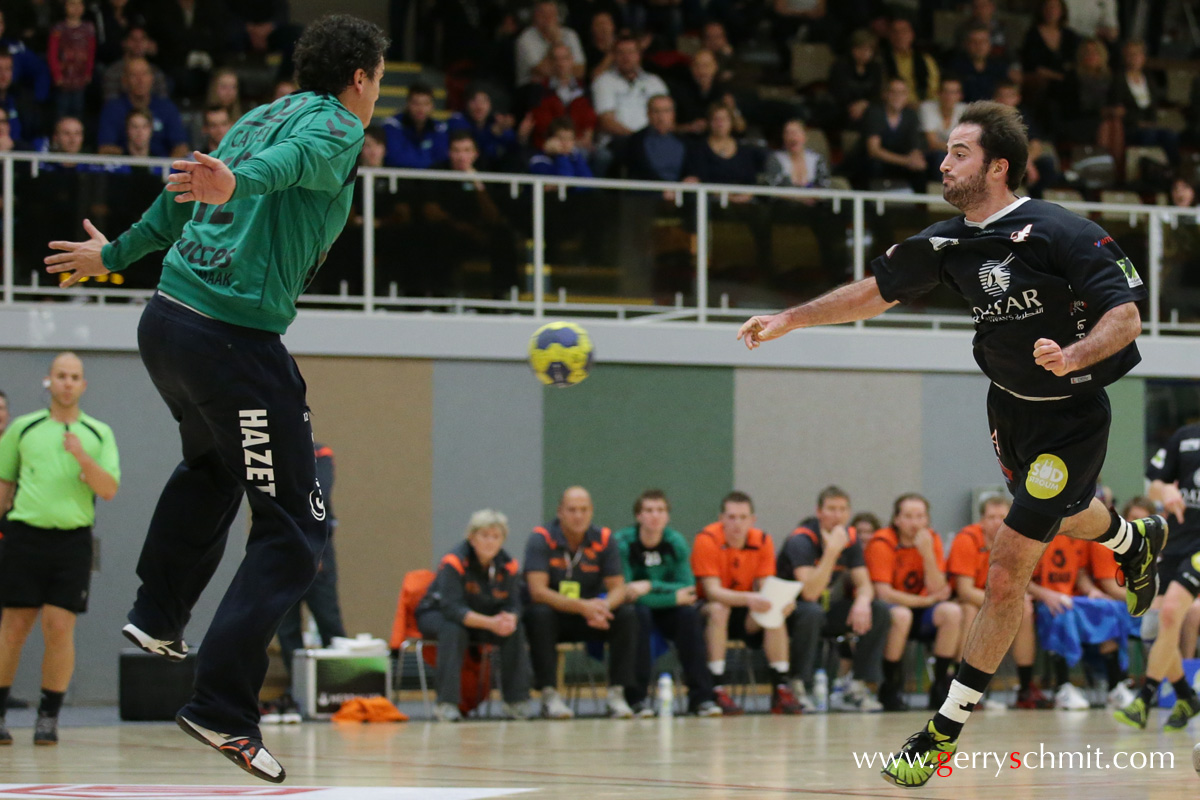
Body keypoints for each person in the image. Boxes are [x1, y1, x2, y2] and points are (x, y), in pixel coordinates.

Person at [737, 99, 1165, 787]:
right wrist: (791, 318)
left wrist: (1076, 354)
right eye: (945, 151)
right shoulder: (947, 244)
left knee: (1005, 571)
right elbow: (876, 291)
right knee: (1061, 510)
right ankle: (1131, 541)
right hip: (1009, 411)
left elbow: (1126, 315)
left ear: (997, 166)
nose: (943, 162)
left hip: (1072, 414)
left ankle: (942, 730)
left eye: (959, 152)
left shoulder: (1060, 230)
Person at [43, 14, 389, 783]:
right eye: (380, 80)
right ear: (362, 77)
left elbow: (180, 193)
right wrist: (242, 183)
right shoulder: (334, 125)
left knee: (215, 462)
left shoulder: (259, 113)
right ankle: (222, 709)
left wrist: (115, 255)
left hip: (165, 321)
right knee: (297, 530)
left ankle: (157, 612)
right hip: (232, 340)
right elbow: (295, 163)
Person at [0, 353, 120, 746]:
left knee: (59, 626)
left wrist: (81, 456)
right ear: (48, 382)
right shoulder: (23, 428)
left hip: (71, 541)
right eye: (61, 376)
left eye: (75, 377)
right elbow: (3, 487)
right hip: (24, 536)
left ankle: (48, 717)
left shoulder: (98, 433)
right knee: (14, 626)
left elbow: (108, 489)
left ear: (83, 386)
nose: (68, 382)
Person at [523, 486, 639, 719]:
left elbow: (618, 587)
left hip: (592, 616)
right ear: (560, 512)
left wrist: (603, 607)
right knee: (539, 614)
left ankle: (617, 695)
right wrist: (582, 607)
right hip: (557, 616)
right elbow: (537, 591)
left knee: (627, 614)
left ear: (591, 511)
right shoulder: (541, 538)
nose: (578, 515)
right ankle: (549, 695)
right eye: (572, 510)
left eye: (584, 510)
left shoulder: (604, 539)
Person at [1114, 422, 1200, 732]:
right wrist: (1166, 489)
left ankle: (1143, 700)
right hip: (1175, 544)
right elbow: (1153, 486)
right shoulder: (1186, 437)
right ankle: (1186, 696)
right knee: (1154, 628)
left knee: (1170, 612)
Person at [692, 491, 802, 715]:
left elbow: (765, 588)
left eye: (743, 517)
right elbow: (712, 592)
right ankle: (717, 687)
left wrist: (781, 602)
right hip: (709, 610)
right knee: (719, 609)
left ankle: (780, 686)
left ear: (753, 520)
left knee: (775, 613)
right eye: (731, 517)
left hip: (746, 611)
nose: (737, 523)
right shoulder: (707, 539)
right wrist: (749, 599)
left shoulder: (762, 541)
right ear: (721, 518)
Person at [417, 509, 531, 722]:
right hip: (438, 614)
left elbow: (515, 603)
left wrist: (511, 618)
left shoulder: (508, 565)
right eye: (484, 536)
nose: (490, 542)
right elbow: (452, 609)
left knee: (514, 631)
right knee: (453, 628)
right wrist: (491, 623)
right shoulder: (454, 561)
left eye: (495, 537)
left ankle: (516, 701)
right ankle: (447, 703)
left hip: (484, 618)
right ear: (472, 537)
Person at [782, 486, 888, 713]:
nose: (837, 515)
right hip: (790, 612)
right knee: (811, 611)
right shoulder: (801, 540)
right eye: (831, 509)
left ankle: (856, 687)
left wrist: (862, 601)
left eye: (842, 510)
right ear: (819, 512)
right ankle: (799, 685)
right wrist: (831, 552)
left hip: (824, 610)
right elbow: (810, 592)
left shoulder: (849, 539)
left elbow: (865, 584)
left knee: (878, 609)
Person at [615, 490, 721, 717]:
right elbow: (626, 592)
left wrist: (650, 585)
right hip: (637, 609)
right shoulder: (623, 543)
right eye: (649, 510)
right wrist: (672, 595)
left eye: (661, 510)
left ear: (668, 516)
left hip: (666, 609)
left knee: (689, 616)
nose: (655, 515)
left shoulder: (675, 542)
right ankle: (637, 699)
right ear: (638, 516)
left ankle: (701, 698)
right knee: (637, 614)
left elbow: (688, 588)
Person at [270, 441, 347, 722]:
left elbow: (319, 493)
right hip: (283, 545)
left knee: (328, 619)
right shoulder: (275, 449)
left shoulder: (321, 453)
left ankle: (340, 689)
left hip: (317, 543)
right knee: (287, 626)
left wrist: (315, 548)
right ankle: (301, 691)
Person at [865, 494, 961, 711]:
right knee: (902, 615)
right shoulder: (883, 541)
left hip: (922, 611)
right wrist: (925, 600)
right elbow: (884, 593)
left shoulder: (931, 540)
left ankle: (940, 686)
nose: (915, 523)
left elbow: (939, 590)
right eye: (908, 516)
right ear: (896, 519)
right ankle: (891, 686)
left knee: (952, 612)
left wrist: (927, 554)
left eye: (920, 516)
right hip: (891, 612)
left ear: (927, 519)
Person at [96, 56, 188, 157]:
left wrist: (168, 169)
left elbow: (181, 147)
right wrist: (133, 157)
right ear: (124, 80)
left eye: (144, 74)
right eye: (134, 75)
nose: (140, 80)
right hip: (122, 169)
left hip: (161, 170)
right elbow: (104, 148)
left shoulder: (167, 108)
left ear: (152, 78)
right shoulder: (112, 109)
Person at [591, 35, 669, 151]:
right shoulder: (603, 81)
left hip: (653, 140)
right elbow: (606, 121)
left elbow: (668, 117)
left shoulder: (655, 82)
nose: (626, 57)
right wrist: (637, 140)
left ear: (639, 55)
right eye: (621, 53)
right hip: (618, 142)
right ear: (614, 56)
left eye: (631, 52)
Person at [528, 45, 595, 153]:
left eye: (565, 58)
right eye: (556, 59)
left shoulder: (583, 89)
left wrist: (586, 139)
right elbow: (542, 124)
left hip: (579, 143)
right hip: (550, 145)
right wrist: (567, 142)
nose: (560, 63)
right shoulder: (540, 90)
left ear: (572, 60)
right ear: (549, 62)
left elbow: (589, 121)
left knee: (603, 156)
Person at [515, 0, 585, 87]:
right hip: (535, 89)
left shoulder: (570, 35)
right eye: (543, 14)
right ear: (535, 16)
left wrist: (560, 72)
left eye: (551, 14)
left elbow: (580, 72)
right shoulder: (525, 38)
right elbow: (541, 71)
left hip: (567, 87)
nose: (548, 18)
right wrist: (555, 42)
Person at [47, 0, 95, 122]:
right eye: (72, 4)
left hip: (80, 78)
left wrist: (88, 72)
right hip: (64, 77)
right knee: (61, 111)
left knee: (78, 110)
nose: (76, 8)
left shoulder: (88, 28)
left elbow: (91, 52)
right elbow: (52, 53)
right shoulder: (58, 28)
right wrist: (57, 74)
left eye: (79, 4)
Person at [382, 82, 448, 169]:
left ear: (432, 106)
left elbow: (442, 159)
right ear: (407, 104)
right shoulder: (392, 125)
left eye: (426, 104)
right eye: (416, 103)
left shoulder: (440, 128)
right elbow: (395, 158)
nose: (421, 109)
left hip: (431, 181)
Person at [880, 15, 939, 106]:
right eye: (895, 32)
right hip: (891, 108)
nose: (900, 36)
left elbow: (934, 90)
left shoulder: (925, 60)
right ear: (889, 36)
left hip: (920, 107)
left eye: (904, 31)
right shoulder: (881, 60)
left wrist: (922, 105)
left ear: (912, 34)